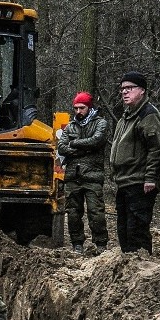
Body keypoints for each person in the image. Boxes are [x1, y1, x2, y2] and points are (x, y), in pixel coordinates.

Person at [109, 71, 160, 253]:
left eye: (130, 88)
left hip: (140, 183)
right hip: (125, 181)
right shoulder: (126, 116)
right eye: (123, 89)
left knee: (137, 231)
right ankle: (129, 269)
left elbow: (156, 148)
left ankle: (143, 270)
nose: (125, 92)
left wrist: (150, 178)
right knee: (124, 231)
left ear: (142, 90)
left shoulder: (148, 115)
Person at [57, 92, 109, 254]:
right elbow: (61, 147)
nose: (78, 111)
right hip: (73, 176)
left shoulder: (100, 123)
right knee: (72, 213)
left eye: (82, 108)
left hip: (93, 175)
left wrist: (74, 144)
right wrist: (84, 149)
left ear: (89, 107)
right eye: (76, 108)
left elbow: (97, 140)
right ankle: (77, 243)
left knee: (96, 212)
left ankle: (101, 244)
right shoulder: (71, 126)